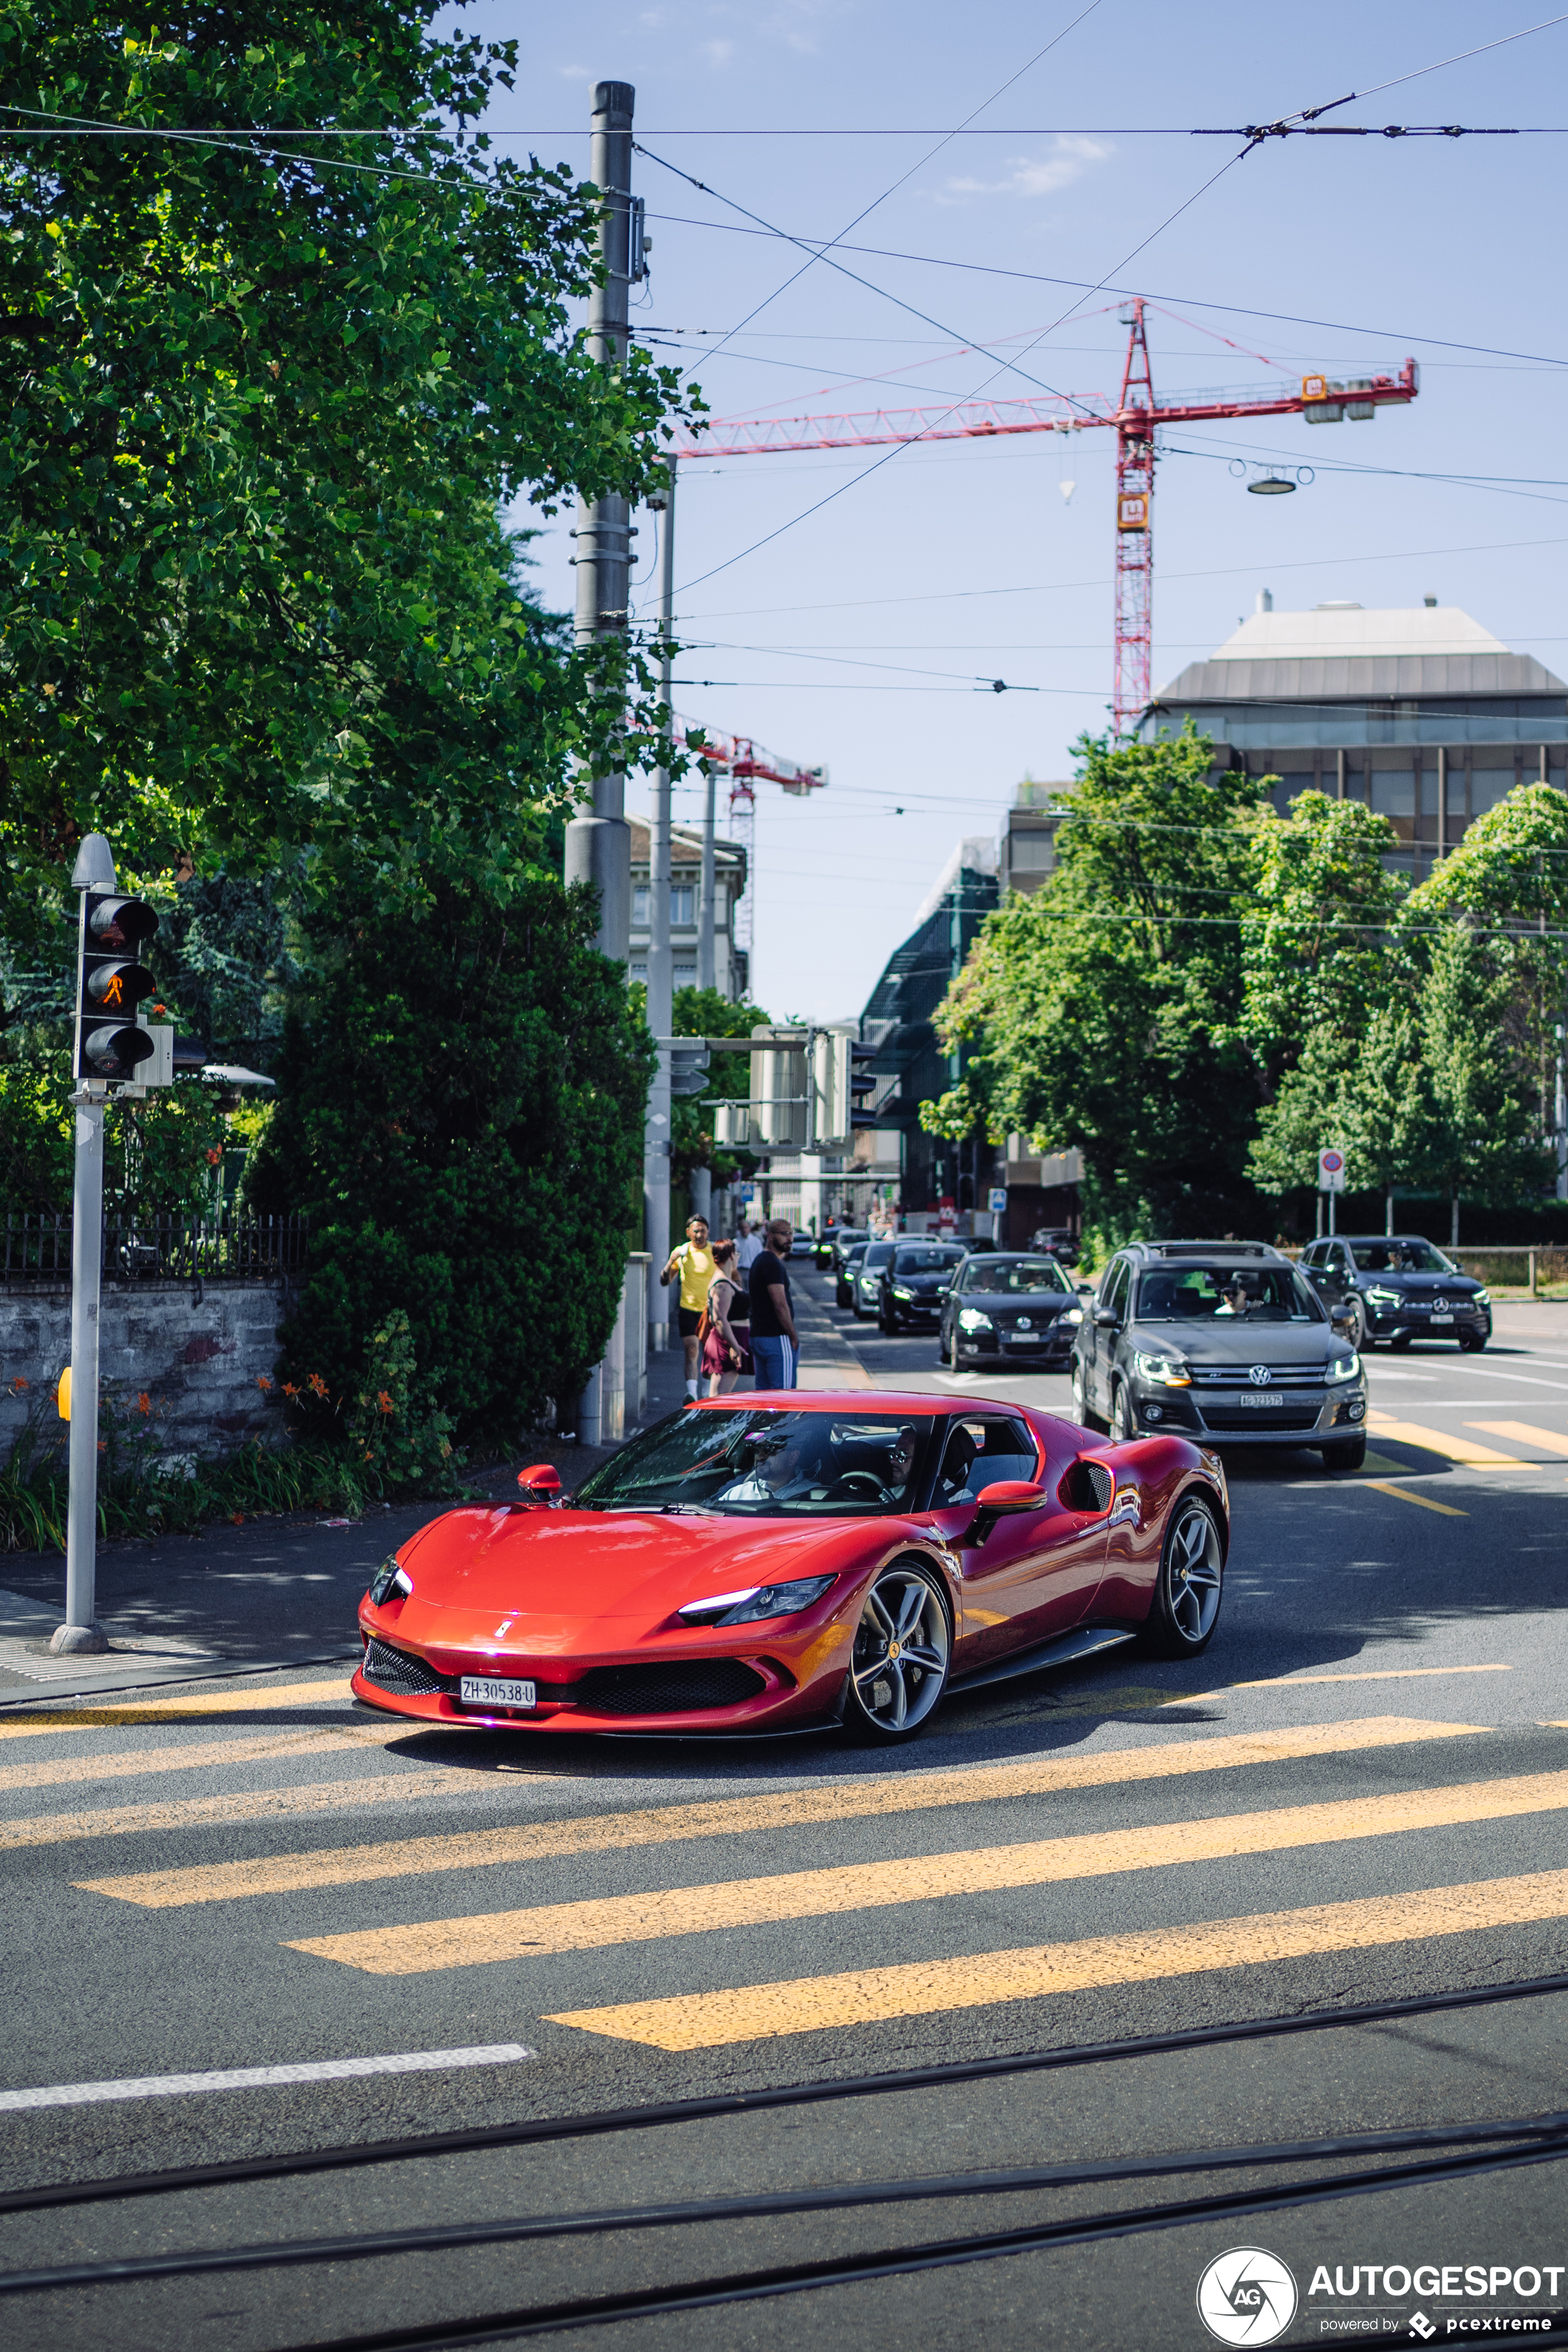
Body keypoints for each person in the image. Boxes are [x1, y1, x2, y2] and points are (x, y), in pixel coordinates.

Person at [661, 1214, 716, 1401]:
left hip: (710, 1311)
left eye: (703, 1230)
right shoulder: (682, 1252)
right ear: (688, 1232)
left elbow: (732, 1275)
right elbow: (665, 1281)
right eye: (696, 1231)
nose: (699, 1234)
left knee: (710, 1352)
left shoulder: (715, 1251)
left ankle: (706, 1391)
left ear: (708, 1232)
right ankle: (691, 1392)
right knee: (692, 1349)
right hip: (688, 1309)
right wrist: (670, 1262)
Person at [749, 1215, 799, 1390]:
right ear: (770, 1236)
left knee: (763, 1394)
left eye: (791, 1234)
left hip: (759, 1336)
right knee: (783, 1395)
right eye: (784, 1234)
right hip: (777, 1337)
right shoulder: (772, 1264)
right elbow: (780, 1304)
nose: (789, 1238)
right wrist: (793, 1336)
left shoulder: (760, 1260)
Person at [701, 1240, 750, 1397]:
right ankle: (710, 1421)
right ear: (731, 1256)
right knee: (719, 1396)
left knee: (720, 1395)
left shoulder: (726, 1280)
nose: (737, 1257)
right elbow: (719, 1319)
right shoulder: (722, 1284)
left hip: (732, 1338)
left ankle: (712, 1420)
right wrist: (735, 1346)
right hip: (728, 1340)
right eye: (736, 1254)